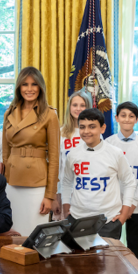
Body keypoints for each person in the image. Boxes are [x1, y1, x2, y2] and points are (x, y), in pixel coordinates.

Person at [62, 108, 137, 240]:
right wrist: (66, 208)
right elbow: (67, 182)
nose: (86, 131)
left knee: (106, 261)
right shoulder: (73, 154)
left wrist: (124, 215)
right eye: (82, 127)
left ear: (102, 128)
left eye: (92, 127)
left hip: (108, 221)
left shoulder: (115, 153)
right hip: (76, 219)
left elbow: (129, 182)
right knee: (77, 259)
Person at [2, 66, 60, 236]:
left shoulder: (49, 114)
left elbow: (55, 157)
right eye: (25, 84)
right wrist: (3, 184)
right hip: (12, 182)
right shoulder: (9, 113)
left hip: (37, 183)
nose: (29, 89)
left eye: (34, 84)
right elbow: (5, 153)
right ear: (19, 87)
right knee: (13, 235)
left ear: (40, 87)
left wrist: (50, 195)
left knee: (34, 237)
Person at [105, 101, 138, 260]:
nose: (127, 119)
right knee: (109, 244)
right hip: (114, 204)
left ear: (136, 119)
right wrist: (119, 203)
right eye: (123, 115)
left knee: (135, 246)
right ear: (116, 118)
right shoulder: (108, 143)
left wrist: (132, 203)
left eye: (131, 116)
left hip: (137, 205)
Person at [52, 90, 92, 220]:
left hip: (88, 192)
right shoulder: (61, 133)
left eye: (82, 105)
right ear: (69, 107)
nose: (78, 109)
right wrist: (54, 196)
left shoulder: (94, 133)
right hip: (65, 193)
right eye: (75, 105)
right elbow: (56, 165)